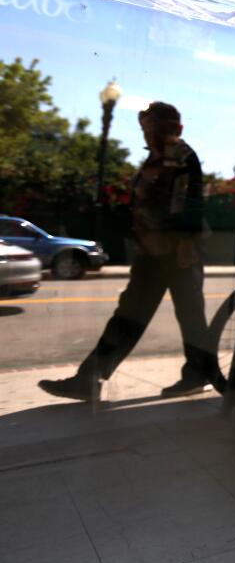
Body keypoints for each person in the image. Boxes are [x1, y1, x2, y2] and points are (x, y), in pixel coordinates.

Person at [39, 102, 222, 401]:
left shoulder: (180, 156)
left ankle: (193, 373)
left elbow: (186, 204)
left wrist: (183, 244)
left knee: (166, 315)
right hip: (155, 251)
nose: (150, 135)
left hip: (173, 252)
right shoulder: (159, 157)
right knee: (139, 314)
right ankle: (93, 376)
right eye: (147, 129)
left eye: (155, 128)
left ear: (175, 128)